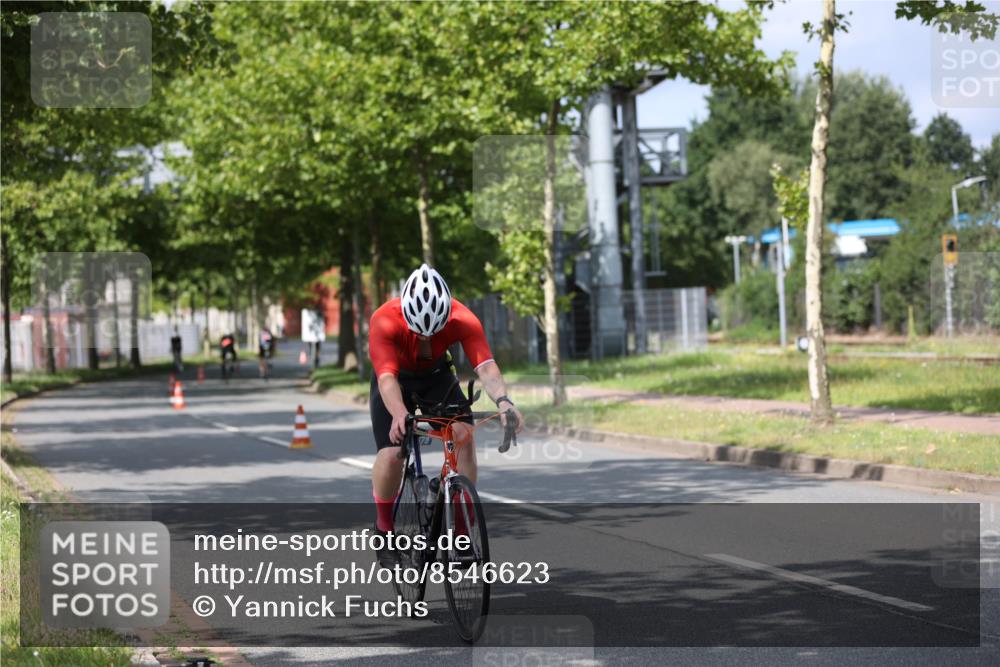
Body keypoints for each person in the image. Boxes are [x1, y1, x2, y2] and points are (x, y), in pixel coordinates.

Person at [368, 264, 524, 566]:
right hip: (394, 379)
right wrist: (400, 414)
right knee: (391, 455)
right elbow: (387, 379)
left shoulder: (462, 317)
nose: (425, 340)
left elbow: (486, 367)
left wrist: (504, 402)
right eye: (418, 333)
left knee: (464, 436)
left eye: (434, 333)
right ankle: (384, 528)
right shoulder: (384, 320)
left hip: (437, 375)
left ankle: (462, 535)